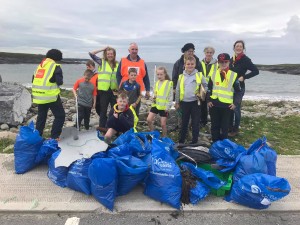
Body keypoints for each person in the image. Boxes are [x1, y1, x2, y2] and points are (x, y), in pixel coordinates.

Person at [207, 53, 243, 142]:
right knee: (214, 126)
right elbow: (209, 89)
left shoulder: (233, 75)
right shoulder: (213, 74)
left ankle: (224, 145)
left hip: (227, 106)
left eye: (225, 62)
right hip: (214, 105)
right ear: (218, 63)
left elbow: (238, 92)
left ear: (229, 62)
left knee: (225, 127)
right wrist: (208, 100)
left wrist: (235, 103)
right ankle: (215, 144)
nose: (223, 64)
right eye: (221, 62)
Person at [31, 49, 65, 140]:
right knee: (60, 116)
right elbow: (59, 82)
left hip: (39, 96)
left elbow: (33, 80)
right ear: (57, 58)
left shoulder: (40, 66)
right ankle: (54, 136)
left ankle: (37, 136)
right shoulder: (55, 66)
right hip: (51, 96)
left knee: (41, 116)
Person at [229, 40, 259, 137]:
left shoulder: (246, 59)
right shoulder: (231, 59)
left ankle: (235, 129)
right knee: (229, 107)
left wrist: (244, 77)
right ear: (234, 48)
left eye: (240, 46)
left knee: (236, 108)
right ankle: (229, 127)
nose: (238, 48)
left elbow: (256, 71)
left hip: (239, 87)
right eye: (236, 46)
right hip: (229, 87)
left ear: (243, 48)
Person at [175, 56, 207, 144]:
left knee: (195, 123)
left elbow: (206, 86)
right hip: (184, 103)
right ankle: (181, 141)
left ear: (195, 65)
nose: (190, 66)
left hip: (195, 103)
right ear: (185, 65)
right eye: (188, 64)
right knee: (184, 123)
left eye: (192, 64)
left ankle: (194, 141)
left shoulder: (199, 75)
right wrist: (177, 102)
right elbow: (177, 90)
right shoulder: (181, 76)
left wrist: (202, 93)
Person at [89, 46, 119, 132]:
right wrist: (103, 49)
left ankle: (113, 127)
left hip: (114, 91)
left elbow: (120, 76)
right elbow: (91, 54)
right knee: (103, 110)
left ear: (114, 55)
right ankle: (102, 127)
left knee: (115, 110)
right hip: (103, 90)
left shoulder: (118, 64)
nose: (110, 55)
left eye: (111, 54)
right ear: (106, 54)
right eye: (108, 54)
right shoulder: (102, 62)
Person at [147, 66, 173, 137]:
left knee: (163, 124)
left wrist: (168, 106)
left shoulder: (169, 83)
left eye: (161, 74)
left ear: (165, 74)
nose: (159, 76)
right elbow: (155, 94)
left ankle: (164, 137)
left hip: (164, 107)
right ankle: (152, 133)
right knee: (149, 120)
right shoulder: (156, 83)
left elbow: (170, 97)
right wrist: (152, 97)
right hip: (156, 105)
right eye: (158, 74)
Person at [199, 46, 218, 128]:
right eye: (207, 52)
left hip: (212, 87)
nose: (209, 54)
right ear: (205, 53)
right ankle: (203, 121)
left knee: (211, 104)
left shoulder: (217, 64)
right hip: (202, 87)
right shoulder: (200, 63)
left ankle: (213, 121)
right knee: (202, 105)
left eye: (210, 52)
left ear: (213, 53)